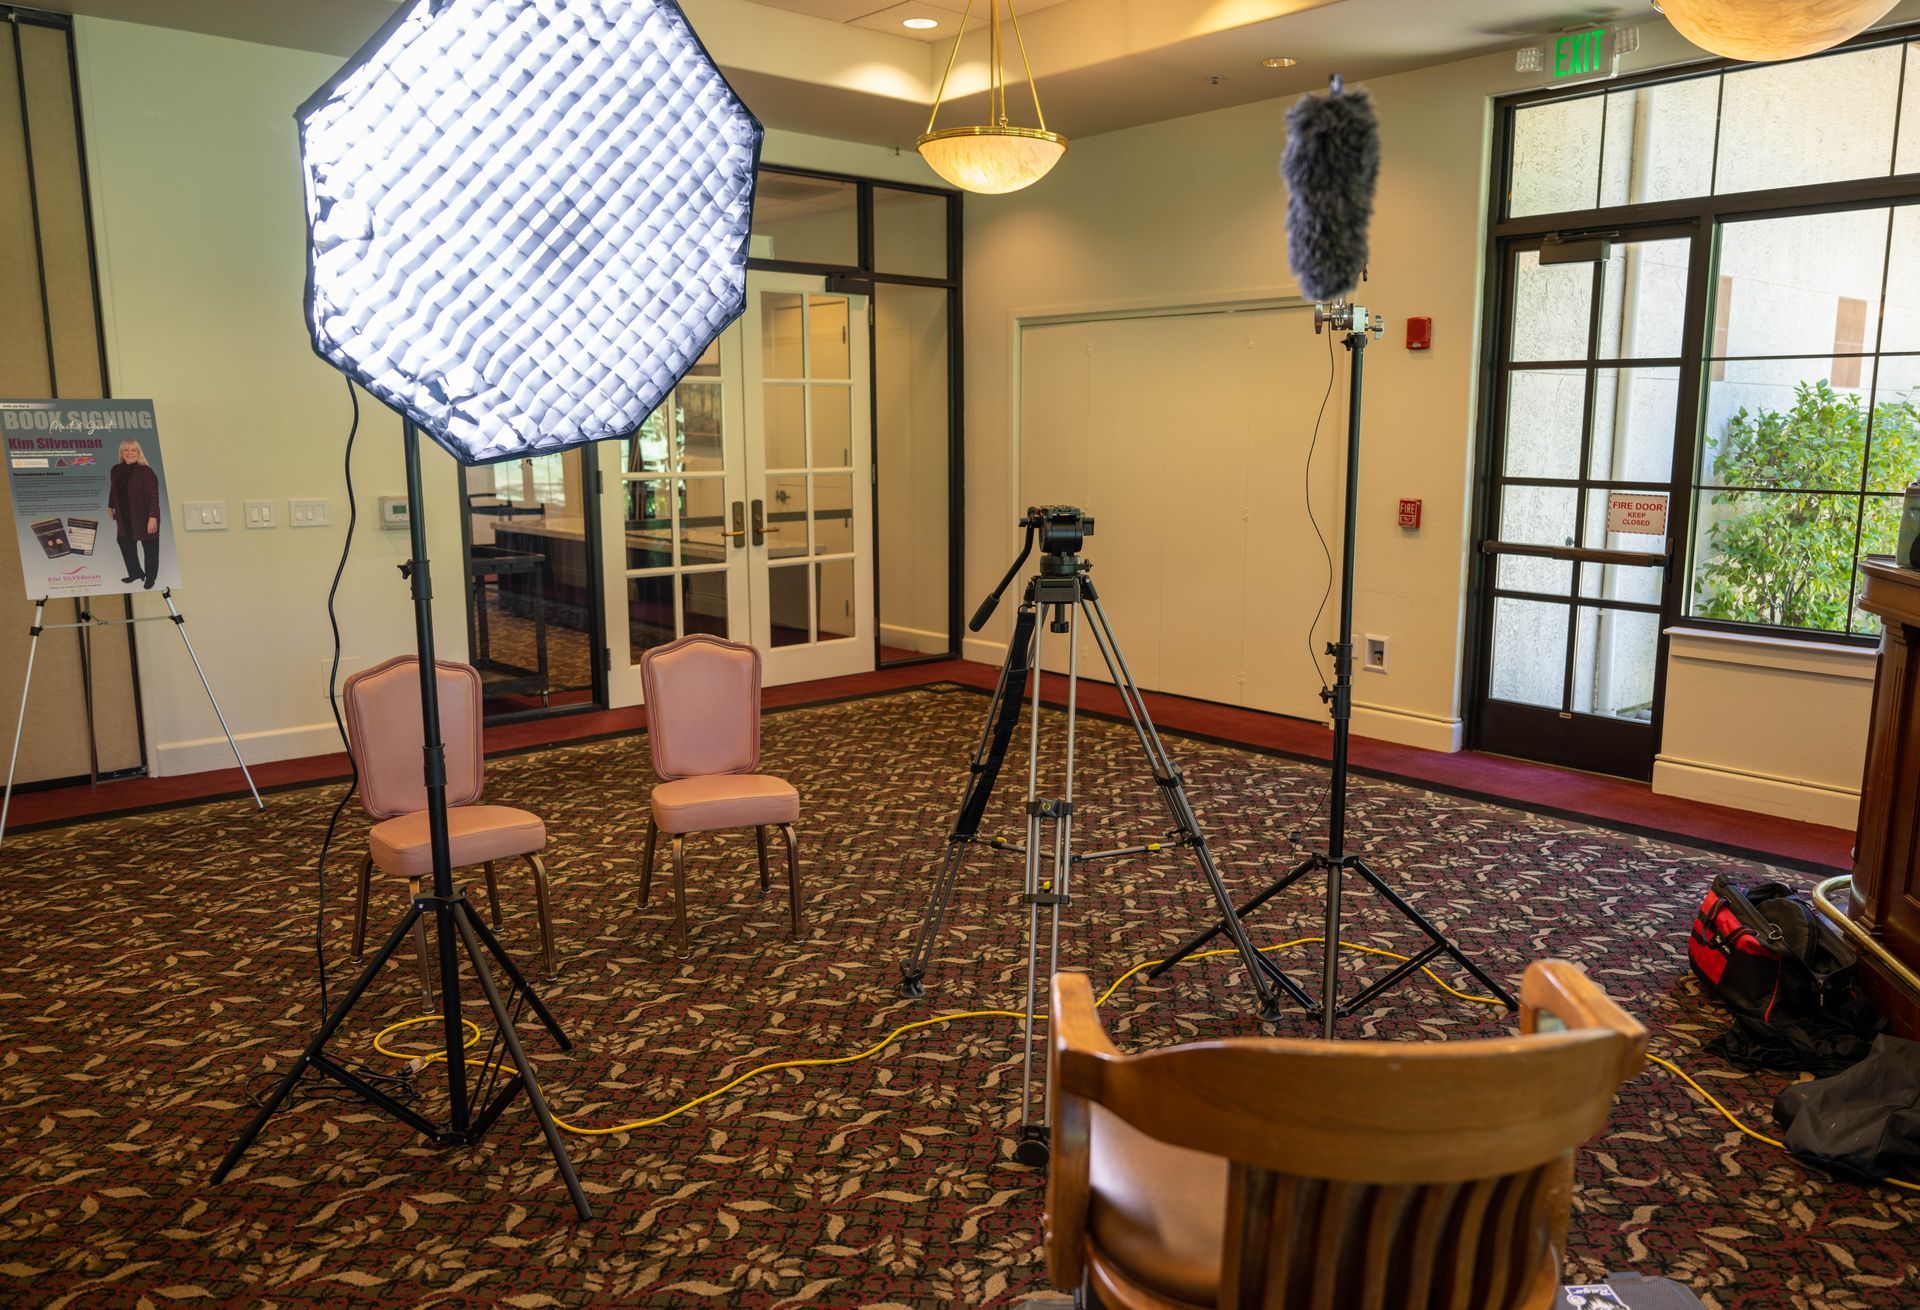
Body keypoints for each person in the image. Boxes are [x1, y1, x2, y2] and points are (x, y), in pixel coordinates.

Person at [108, 438, 160, 589]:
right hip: (124, 517)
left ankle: (150, 578)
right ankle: (136, 572)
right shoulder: (116, 470)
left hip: (144, 516)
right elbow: (113, 490)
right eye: (126, 450)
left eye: (133, 450)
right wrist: (110, 506)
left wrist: (153, 517)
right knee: (125, 542)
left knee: (150, 548)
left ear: (138, 452)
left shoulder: (146, 471)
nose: (129, 453)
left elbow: (154, 496)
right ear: (121, 453)